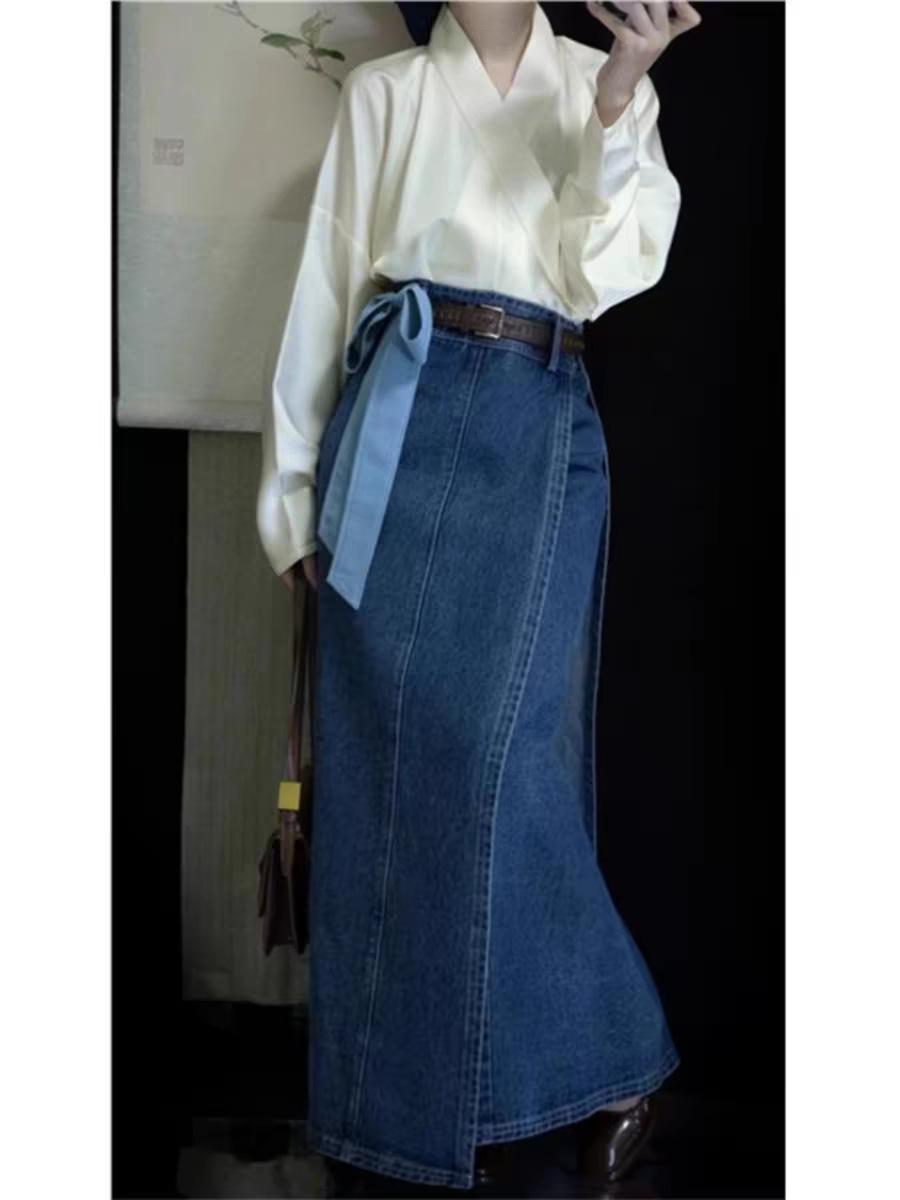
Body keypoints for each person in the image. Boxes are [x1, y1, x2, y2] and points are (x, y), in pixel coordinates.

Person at [256, 1, 701, 1191]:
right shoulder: (386, 93)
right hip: (393, 427)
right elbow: (326, 290)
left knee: (500, 768)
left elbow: (604, 272)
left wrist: (618, 97)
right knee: (382, 767)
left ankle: (615, 1055)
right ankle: (401, 1112)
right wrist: (292, 498)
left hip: (537, 421)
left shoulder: (597, 78)